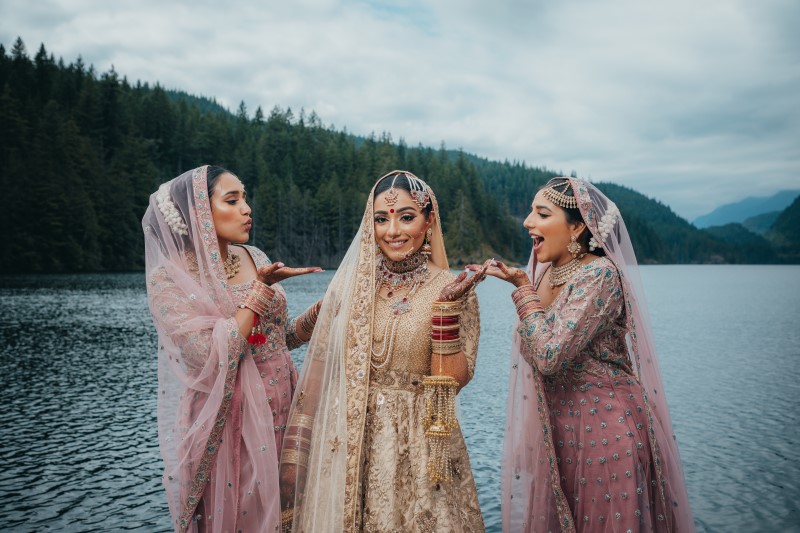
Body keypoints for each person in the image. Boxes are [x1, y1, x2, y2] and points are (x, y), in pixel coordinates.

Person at [469, 177, 694, 532]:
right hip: (560, 435)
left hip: (607, 436)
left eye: (541, 214)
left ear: (576, 228)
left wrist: (522, 290)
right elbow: (535, 344)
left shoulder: (600, 275)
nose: (528, 222)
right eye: (530, 212)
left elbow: (548, 355)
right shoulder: (544, 274)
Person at [278, 170, 491, 531]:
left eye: (406, 217)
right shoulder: (355, 287)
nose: (392, 231)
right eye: (381, 219)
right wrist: (297, 454)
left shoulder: (451, 288)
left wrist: (445, 314)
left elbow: (450, 383)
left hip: (419, 449)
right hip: (346, 443)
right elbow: (302, 355)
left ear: (429, 220)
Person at [143, 165, 323, 533]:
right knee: (245, 512)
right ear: (198, 212)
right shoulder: (170, 278)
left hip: (286, 399)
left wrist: (320, 315)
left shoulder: (254, 255)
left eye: (245, 198)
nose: (247, 208)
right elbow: (209, 355)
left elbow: (274, 339)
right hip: (229, 418)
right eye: (232, 200)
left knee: (295, 509)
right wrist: (260, 290)